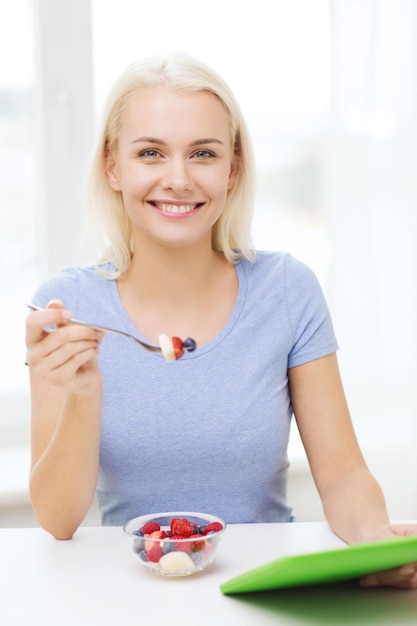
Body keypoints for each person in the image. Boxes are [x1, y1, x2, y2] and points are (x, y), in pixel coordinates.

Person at [26, 53, 417, 589]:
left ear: (232, 169)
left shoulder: (286, 290)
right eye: (151, 153)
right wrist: (83, 394)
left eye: (203, 153)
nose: (179, 179)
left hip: (268, 587)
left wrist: (375, 541)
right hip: (130, 595)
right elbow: (58, 519)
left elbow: (344, 474)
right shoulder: (66, 306)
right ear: (113, 167)